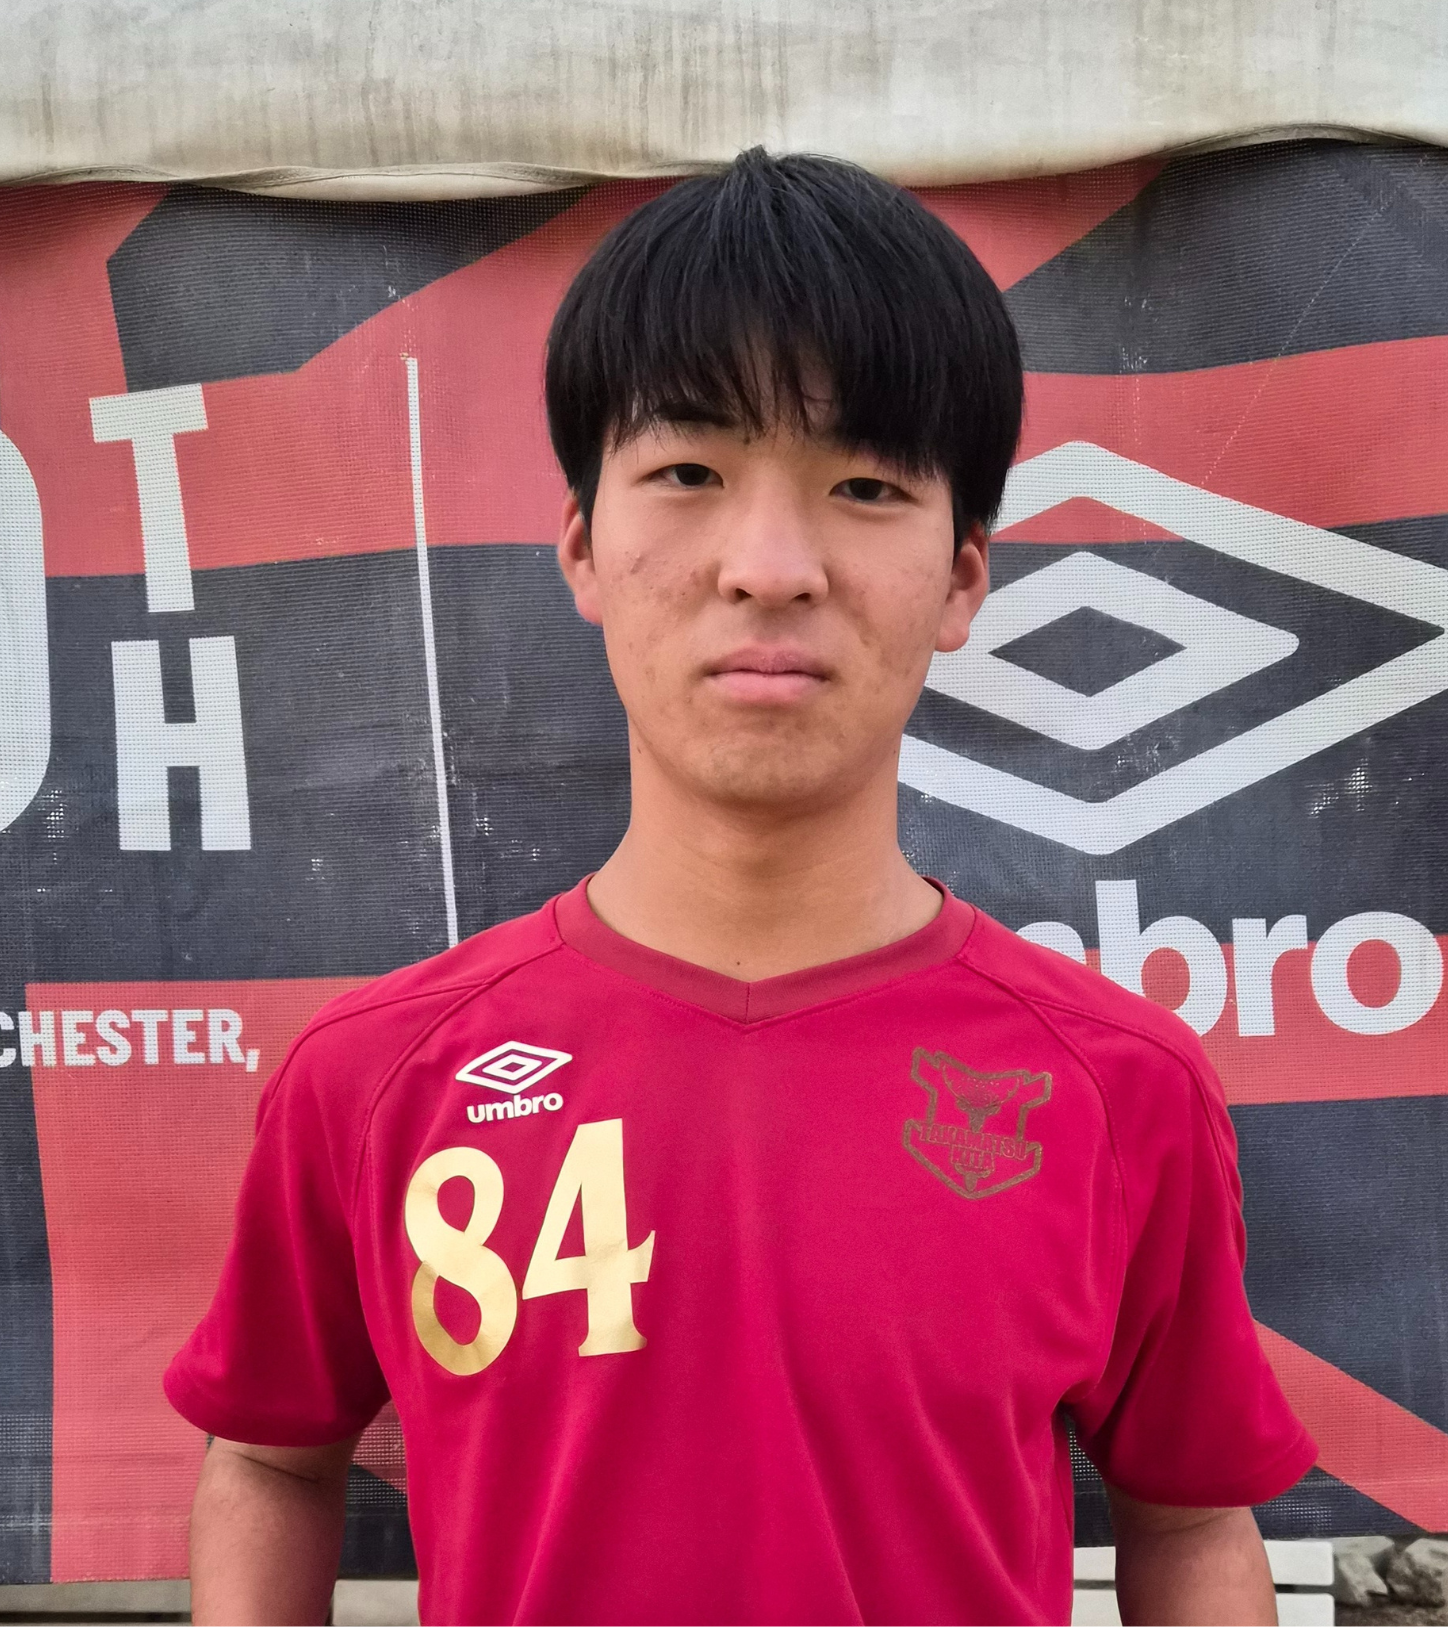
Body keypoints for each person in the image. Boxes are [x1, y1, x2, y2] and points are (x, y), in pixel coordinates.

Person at [167, 148, 1315, 1626]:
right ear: (583, 546)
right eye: (690, 473)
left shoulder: (1116, 1088)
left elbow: (1193, 1517)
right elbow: (269, 1457)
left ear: (964, 577)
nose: (771, 566)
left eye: (865, 486)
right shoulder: (378, 1078)